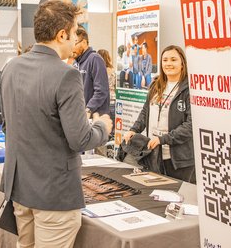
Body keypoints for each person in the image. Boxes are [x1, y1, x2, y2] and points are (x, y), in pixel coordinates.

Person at [0, 0, 112, 248]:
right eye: (74, 33)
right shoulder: (66, 74)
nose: (75, 41)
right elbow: (80, 139)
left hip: (19, 187)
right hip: (54, 193)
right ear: (62, 34)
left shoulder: (11, 68)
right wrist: (103, 126)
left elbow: (9, 127)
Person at [123, 45, 195, 183]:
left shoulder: (188, 89)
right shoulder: (156, 85)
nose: (168, 63)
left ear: (182, 64)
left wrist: (164, 139)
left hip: (179, 160)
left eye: (173, 60)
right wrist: (133, 130)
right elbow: (145, 112)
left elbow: (190, 125)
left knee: (178, 198)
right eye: (165, 60)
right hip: (154, 155)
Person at [72, 26, 110, 118]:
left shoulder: (95, 59)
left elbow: (101, 91)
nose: (72, 47)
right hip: (81, 116)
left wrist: (89, 109)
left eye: (75, 43)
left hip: (96, 117)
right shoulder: (75, 63)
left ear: (84, 42)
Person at [98, 49, 116, 121]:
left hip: (102, 104)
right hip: (113, 102)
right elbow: (115, 87)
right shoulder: (113, 71)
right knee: (112, 129)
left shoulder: (98, 71)